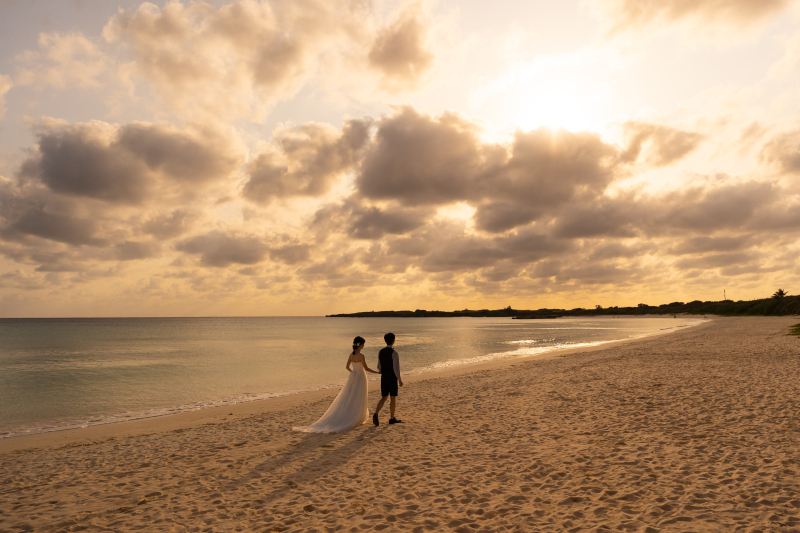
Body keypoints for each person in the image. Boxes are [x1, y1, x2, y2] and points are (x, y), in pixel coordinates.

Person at [293, 336, 379, 433]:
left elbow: (347, 367)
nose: (364, 345)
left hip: (354, 377)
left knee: (352, 396)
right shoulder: (361, 356)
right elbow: (366, 369)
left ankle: (355, 414)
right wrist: (378, 373)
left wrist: (353, 373)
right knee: (359, 396)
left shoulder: (351, 355)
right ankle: (358, 416)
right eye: (363, 343)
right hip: (361, 377)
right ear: (360, 344)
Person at [373, 332, 403, 426]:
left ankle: (376, 413)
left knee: (384, 397)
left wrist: (383, 372)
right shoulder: (394, 353)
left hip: (384, 376)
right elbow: (396, 368)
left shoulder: (380, 351)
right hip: (392, 377)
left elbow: (379, 366)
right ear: (394, 341)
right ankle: (391, 418)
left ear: (385, 341)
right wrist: (400, 380)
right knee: (393, 398)